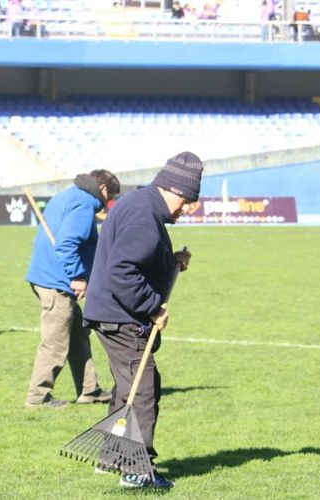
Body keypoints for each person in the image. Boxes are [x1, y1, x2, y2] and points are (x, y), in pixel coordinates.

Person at [83, 151, 203, 489]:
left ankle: (110, 458)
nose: (187, 208)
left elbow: (138, 257)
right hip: (122, 318)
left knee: (127, 390)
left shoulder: (141, 205)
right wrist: (152, 307)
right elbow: (122, 271)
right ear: (172, 189)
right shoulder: (143, 216)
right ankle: (136, 469)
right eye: (187, 200)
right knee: (143, 389)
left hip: (110, 313)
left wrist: (171, 262)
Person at [24, 170, 120, 408]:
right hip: (56, 281)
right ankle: (38, 398)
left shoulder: (67, 195)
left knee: (78, 334)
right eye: (109, 198)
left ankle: (89, 390)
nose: (105, 205)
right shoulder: (84, 203)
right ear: (104, 189)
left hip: (48, 276)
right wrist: (78, 276)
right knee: (55, 342)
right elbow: (67, 243)